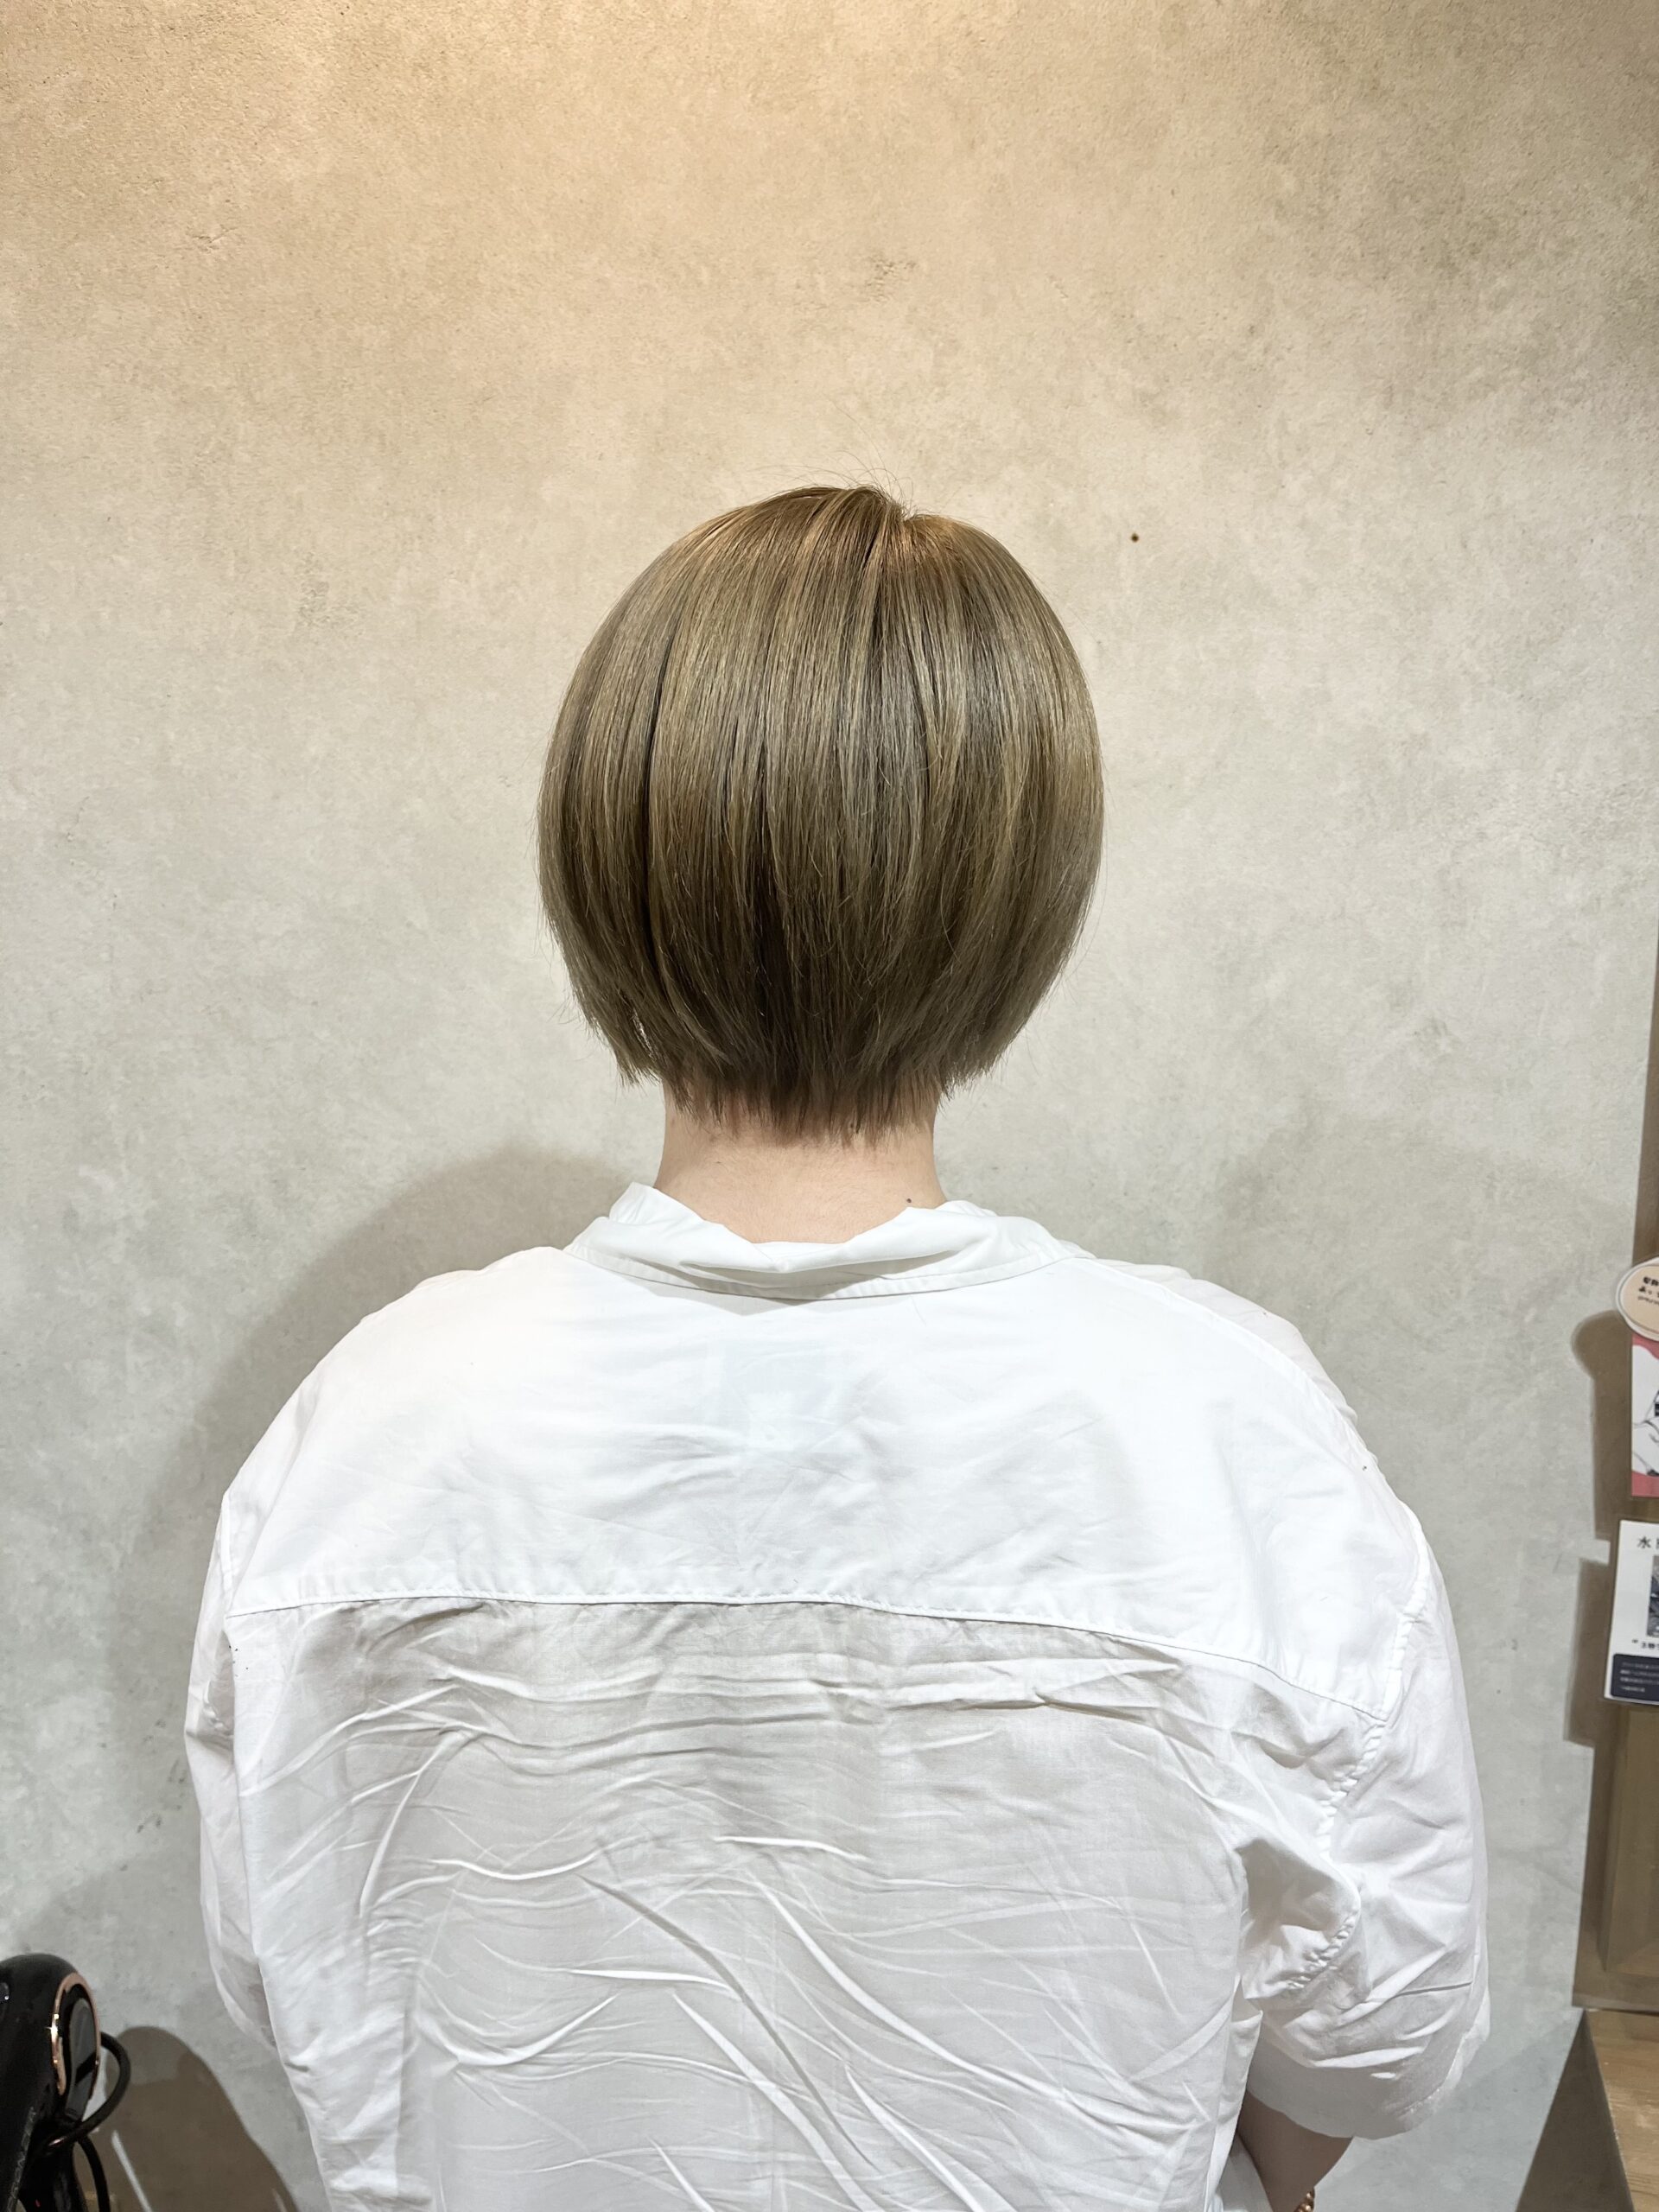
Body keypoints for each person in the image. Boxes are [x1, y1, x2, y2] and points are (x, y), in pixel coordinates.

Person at [186, 484, 1488, 2212]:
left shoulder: (366, 1428)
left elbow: (298, 1988)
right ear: (1024, 900)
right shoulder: (1234, 1440)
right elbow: (1369, 2057)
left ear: (607, 865)